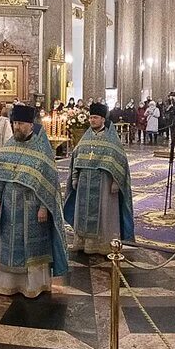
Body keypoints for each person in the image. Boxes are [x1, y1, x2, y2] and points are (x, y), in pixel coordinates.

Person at [0, 104, 69, 297]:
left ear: (30, 125)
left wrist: (44, 206)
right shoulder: (10, 145)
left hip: (32, 207)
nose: (17, 127)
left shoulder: (42, 149)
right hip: (9, 206)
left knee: (31, 247)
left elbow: (48, 182)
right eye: (15, 122)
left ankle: (32, 286)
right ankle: (8, 284)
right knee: (10, 245)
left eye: (20, 123)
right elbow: (1, 176)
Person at [64, 102, 135, 255]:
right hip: (85, 181)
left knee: (104, 213)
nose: (92, 120)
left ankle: (102, 244)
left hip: (104, 182)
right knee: (82, 212)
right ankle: (82, 241)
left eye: (95, 117)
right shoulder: (86, 136)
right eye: (90, 117)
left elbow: (120, 160)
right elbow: (76, 157)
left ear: (103, 119)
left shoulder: (111, 138)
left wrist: (117, 181)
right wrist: (75, 177)